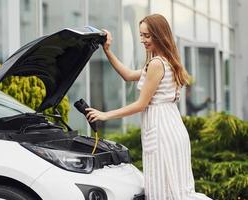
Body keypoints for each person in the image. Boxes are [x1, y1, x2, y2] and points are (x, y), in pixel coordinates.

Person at [86, 14, 212, 200]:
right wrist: (107, 50)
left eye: (147, 36)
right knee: (178, 191)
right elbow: (128, 75)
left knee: (164, 192)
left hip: (161, 132)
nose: (142, 40)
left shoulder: (156, 64)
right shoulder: (166, 61)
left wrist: (105, 115)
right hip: (172, 129)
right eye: (141, 35)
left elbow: (141, 104)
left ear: (159, 35)